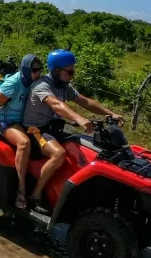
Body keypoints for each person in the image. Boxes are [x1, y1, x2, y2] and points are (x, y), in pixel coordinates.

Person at [22, 50, 124, 213]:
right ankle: (35, 194)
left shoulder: (63, 85)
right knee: (59, 154)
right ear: (56, 70)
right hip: (35, 131)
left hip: (52, 128)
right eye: (69, 72)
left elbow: (85, 101)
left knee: (82, 147)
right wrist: (79, 119)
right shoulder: (42, 85)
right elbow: (56, 105)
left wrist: (110, 113)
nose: (72, 75)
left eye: (73, 71)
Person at [0, 54, 43, 209]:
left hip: (23, 122)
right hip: (5, 121)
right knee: (24, 143)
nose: (38, 73)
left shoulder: (32, 82)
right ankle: (21, 189)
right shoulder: (12, 84)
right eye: (35, 70)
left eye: (40, 70)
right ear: (26, 69)